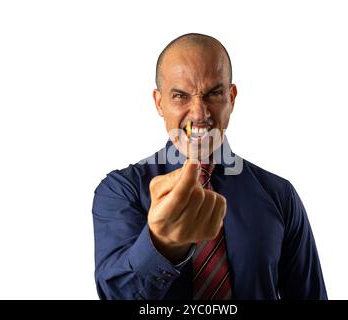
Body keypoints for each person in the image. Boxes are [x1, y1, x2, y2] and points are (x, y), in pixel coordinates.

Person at [92, 33, 327, 300]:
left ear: (232, 97)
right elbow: (115, 295)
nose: (199, 113)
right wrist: (162, 245)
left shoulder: (280, 195)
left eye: (213, 93)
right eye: (180, 96)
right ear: (159, 103)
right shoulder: (121, 190)